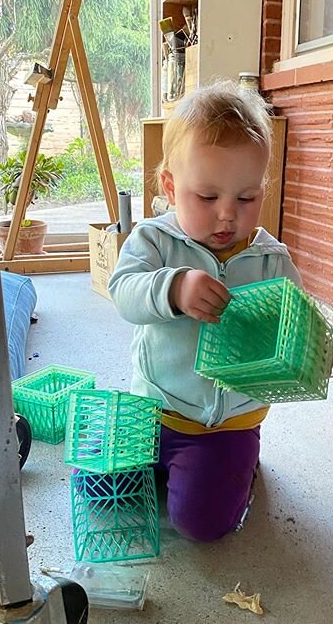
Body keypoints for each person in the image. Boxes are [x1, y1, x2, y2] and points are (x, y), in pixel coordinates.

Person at [108, 81, 302, 542]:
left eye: (246, 198)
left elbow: (295, 328)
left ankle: (240, 468)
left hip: (221, 425)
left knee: (201, 525)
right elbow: (123, 292)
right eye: (208, 197)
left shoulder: (272, 260)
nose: (226, 217)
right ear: (170, 188)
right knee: (105, 490)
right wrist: (173, 287)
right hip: (152, 407)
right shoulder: (153, 241)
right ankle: (176, 470)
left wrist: (297, 345)